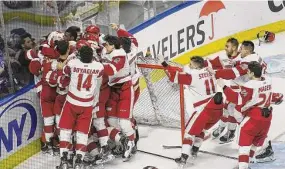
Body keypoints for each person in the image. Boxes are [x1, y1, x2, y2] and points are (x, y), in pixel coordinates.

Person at [158, 55, 224, 167]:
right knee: (201, 129)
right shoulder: (210, 70)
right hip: (218, 109)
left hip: (205, 110)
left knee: (188, 134)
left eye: (191, 64)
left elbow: (173, 77)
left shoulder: (194, 75)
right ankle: (194, 150)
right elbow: (218, 62)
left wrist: (164, 64)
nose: (189, 65)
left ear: (196, 66)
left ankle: (183, 158)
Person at [216, 61, 273, 169]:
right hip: (267, 118)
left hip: (254, 119)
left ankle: (243, 167)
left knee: (244, 147)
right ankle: (250, 161)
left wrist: (223, 86)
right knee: (254, 143)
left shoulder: (250, 85)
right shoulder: (268, 80)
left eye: (248, 71)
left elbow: (236, 99)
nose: (246, 72)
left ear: (251, 73)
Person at [205, 38, 240, 143]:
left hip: (242, 91)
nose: (225, 48)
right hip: (232, 89)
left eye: (227, 46)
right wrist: (203, 63)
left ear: (234, 47)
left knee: (233, 112)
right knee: (226, 109)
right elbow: (212, 63)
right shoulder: (223, 57)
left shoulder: (241, 58)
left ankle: (231, 132)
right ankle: (222, 127)